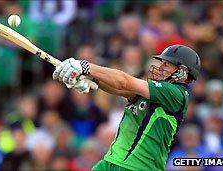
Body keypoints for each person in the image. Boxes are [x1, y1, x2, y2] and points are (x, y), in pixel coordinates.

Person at [52, 44, 201, 170]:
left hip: (139, 167)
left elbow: (125, 82)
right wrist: (91, 79)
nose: (160, 67)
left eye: (166, 64)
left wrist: (85, 66)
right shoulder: (155, 92)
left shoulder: (176, 93)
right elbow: (121, 89)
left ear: (182, 72)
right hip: (111, 162)